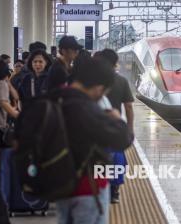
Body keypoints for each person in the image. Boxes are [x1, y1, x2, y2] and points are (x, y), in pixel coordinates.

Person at [53, 57, 132, 224]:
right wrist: (117, 120)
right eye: (103, 91)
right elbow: (122, 140)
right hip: (88, 188)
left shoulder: (54, 98)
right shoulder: (87, 108)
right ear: (98, 87)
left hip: (60, 186)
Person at [95, 49, 135, 204]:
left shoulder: (92, 81)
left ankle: (99, 187)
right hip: (115, 128)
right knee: (117, 157)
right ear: (115, 63)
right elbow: (129, 107)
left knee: (97, 158)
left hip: (95, 127)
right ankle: (114, 191)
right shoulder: (122, 81)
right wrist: (130, 129)